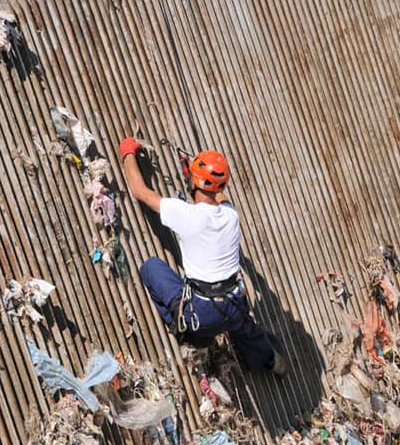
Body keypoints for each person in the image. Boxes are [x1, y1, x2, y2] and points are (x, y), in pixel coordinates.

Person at [118, 138, 288, 376]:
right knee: (244, 326)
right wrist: (198, 179)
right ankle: (271, 362)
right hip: (235, 305)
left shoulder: (186, 214)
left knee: (151, 267)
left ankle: (186, 332)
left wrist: (128, 152)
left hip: (203, 315)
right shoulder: (231, 216)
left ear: (195, 181)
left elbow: (140, 191)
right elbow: (219, 196)